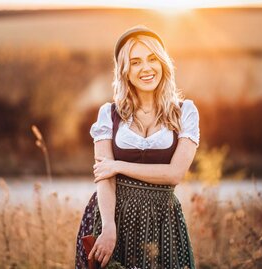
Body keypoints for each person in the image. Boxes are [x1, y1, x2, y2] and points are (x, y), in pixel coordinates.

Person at [75, 25, 200, 269]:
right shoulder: (108, 114)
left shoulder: (185, 112)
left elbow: (175, 174)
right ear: (125, 71)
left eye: (152, 59)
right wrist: (109, 226)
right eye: (135, 62)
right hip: (113, 216)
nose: (146, 68)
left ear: (162, 63)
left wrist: (118, 165)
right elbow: (104, 177)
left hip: (162, 220)